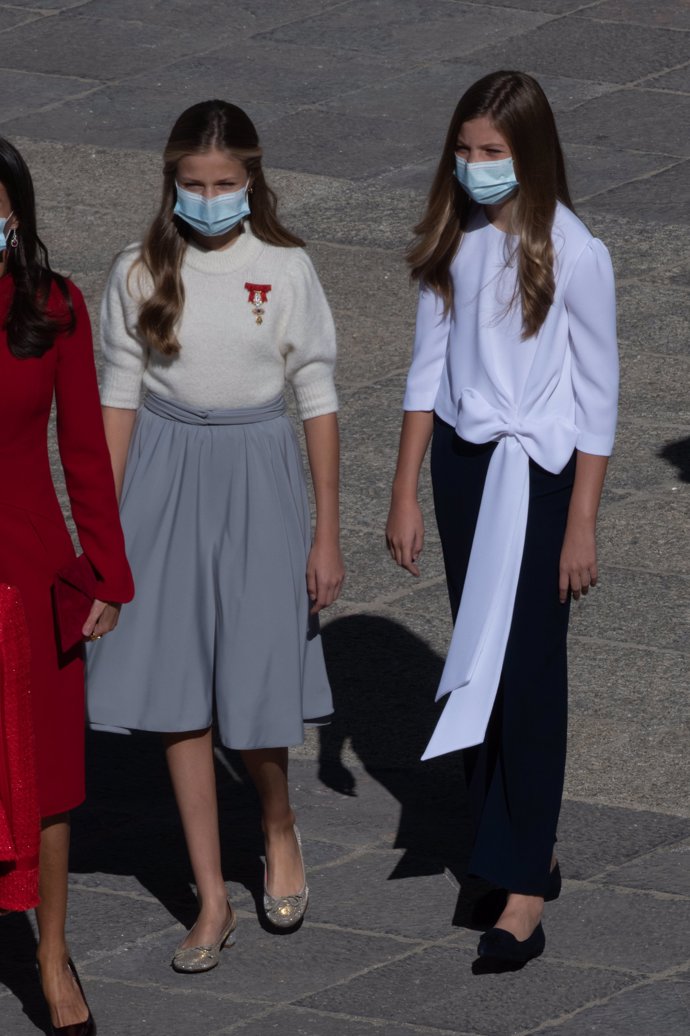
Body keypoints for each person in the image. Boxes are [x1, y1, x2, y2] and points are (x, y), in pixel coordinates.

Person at [86, 100, 344, 972]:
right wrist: (103, 539)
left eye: (224, 184)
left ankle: (277, 824)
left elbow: (316, 395)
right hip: (164, 468)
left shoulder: (288, 267)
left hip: (259, 470)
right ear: (171, 183)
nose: (207, 198)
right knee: (176, 693)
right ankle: (210, 898)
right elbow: (116, 403)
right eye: (192, 185)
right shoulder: (134, 270)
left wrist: (327, 533)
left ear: (251, 181)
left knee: (256, 680)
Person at [386, 71, 618, 965]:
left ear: (531, 153)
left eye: (494, 153)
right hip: (464, 467)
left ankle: (525, 886)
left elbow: (598, 394)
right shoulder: (459, 239)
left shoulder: (575, 252)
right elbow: (424, 371)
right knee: (477, 655)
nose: (477, 167)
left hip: (544, 478)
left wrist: (584, 520)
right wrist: (406, 487)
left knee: (529, 671)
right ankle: (501, 845)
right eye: (467, 151)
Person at [0, 137, 134, 1033]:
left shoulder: (54, 308)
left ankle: (52, 957)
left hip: (33, 575)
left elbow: (85, 453)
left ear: (17, 214)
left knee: (49, 785)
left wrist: (109, 576)